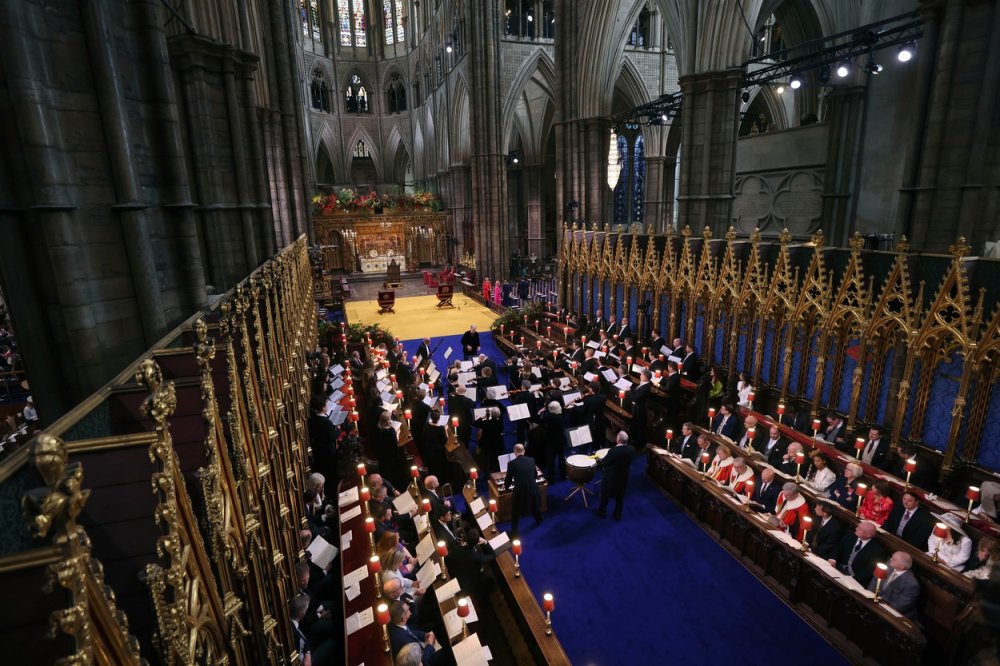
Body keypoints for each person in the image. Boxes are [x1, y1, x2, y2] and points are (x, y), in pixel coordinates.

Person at [867, 551, 920, 621]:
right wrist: (868, 595)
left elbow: (899, 606)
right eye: (892, 557)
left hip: (893, 615)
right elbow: (875, 579)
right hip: (875, 603)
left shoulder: (911, 584)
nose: (890, 559)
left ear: (902, 566)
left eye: (894, 559)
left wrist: (879, 608)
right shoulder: (888, 565)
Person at [829, 521, 884, 587]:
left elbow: (868, 571)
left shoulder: (876, 550)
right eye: (858, 526)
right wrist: (832, 559)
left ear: (868, 535)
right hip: (837, 567)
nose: (856, 529)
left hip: (854, 577)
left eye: (860, 529)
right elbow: (838, 548)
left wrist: (852, 579)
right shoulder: (850, 535)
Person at [595, 431, 636, 521]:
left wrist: (598, 460)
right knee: (620, 497)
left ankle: (601, 512)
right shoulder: (632, 449)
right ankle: (617, 514)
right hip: (624, 477)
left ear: (618, 439)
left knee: (605, 495)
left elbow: (605, 463)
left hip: (611, 478)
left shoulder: (613, 451)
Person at [504, 443, 543, 534]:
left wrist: (506, 488)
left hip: (519, 490)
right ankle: (539, 519)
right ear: (524, 451)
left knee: (515, 510)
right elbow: (535, 474)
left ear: (514, 452)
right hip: (532, 487)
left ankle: (514, 531)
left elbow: (508, 479)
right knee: (535, 505)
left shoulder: (511, 463)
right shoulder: (531, 460)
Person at [474, 406, 504, 473]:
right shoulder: (500, 423)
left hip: (486, 445)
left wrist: (484, 417)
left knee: (487, 458)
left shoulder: (486, 423)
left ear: (491, 414)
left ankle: (487, 468)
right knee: (495, 458)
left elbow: (475, 424)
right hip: (497, 445)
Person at [629, 369, 653, 448]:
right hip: (636, 407)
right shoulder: (643, 384)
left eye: (641, 375)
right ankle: (633, 441)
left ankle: (637, 445)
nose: (640, 376)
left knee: (639, 427)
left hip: (640, 409)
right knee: (634, 425)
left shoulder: (646, 387)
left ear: (645, 377)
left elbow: (635, 397)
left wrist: (629, 390)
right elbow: (635, 391)